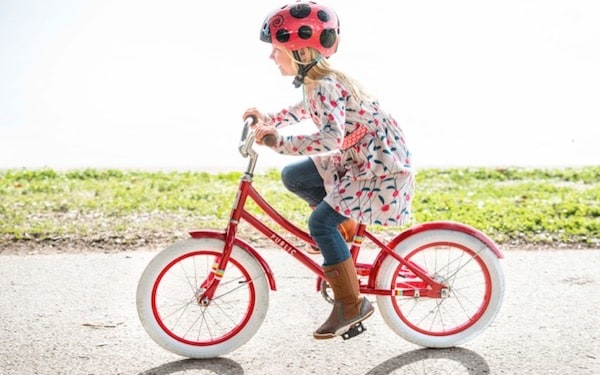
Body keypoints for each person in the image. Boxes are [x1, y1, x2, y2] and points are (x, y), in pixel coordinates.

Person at [243, 1, 415, 340]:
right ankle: (343, 222)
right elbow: (302, 110)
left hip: (376, 168)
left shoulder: (324, 84)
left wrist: (279, 141)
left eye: (275, 50)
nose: (270, 57)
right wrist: (269, 120)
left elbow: (331, 138)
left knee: (319, 222)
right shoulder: (316, 85)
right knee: (294, 177)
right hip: (360, 158)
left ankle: (351, 304)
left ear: (297, 51)